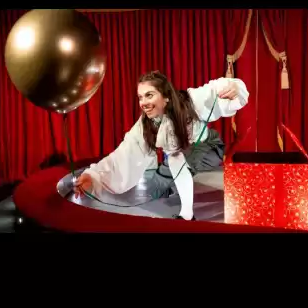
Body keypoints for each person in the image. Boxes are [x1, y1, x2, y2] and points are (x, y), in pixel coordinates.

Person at [74, 71, 249, 220]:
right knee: (156, 188)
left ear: (165, 96)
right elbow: (124, 152)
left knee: (175, 160)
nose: (143, 103)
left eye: (149, 95)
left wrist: (233, 87)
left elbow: (216, 88)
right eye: (140, 97)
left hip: (208, 148)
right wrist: (93, 176)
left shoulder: (191, 100)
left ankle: (187, 216)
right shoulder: (145, 124)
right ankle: (175, 186)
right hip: (182, 155)